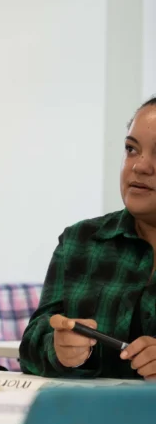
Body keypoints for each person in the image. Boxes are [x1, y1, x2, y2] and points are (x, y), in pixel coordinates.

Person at [21, 96, 156, 379]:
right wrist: (57, 349)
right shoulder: (81, 240)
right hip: (87, 419)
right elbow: (31, 346)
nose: (139, 166)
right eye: (131, 149)